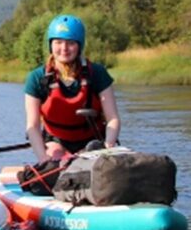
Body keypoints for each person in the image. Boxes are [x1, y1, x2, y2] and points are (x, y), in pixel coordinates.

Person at [24, 14, 121, 162]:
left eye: (70, 43)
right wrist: (43, 159)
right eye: (58, 42)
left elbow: (113, 118)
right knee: (56, 158)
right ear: (51, 44)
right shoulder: (36, 78)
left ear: (79, 45)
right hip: (55, 141)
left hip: (92, 142)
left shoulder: (97, 73)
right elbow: (33, 125)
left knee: (86, 163)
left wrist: (108, 147)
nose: (64, 48)